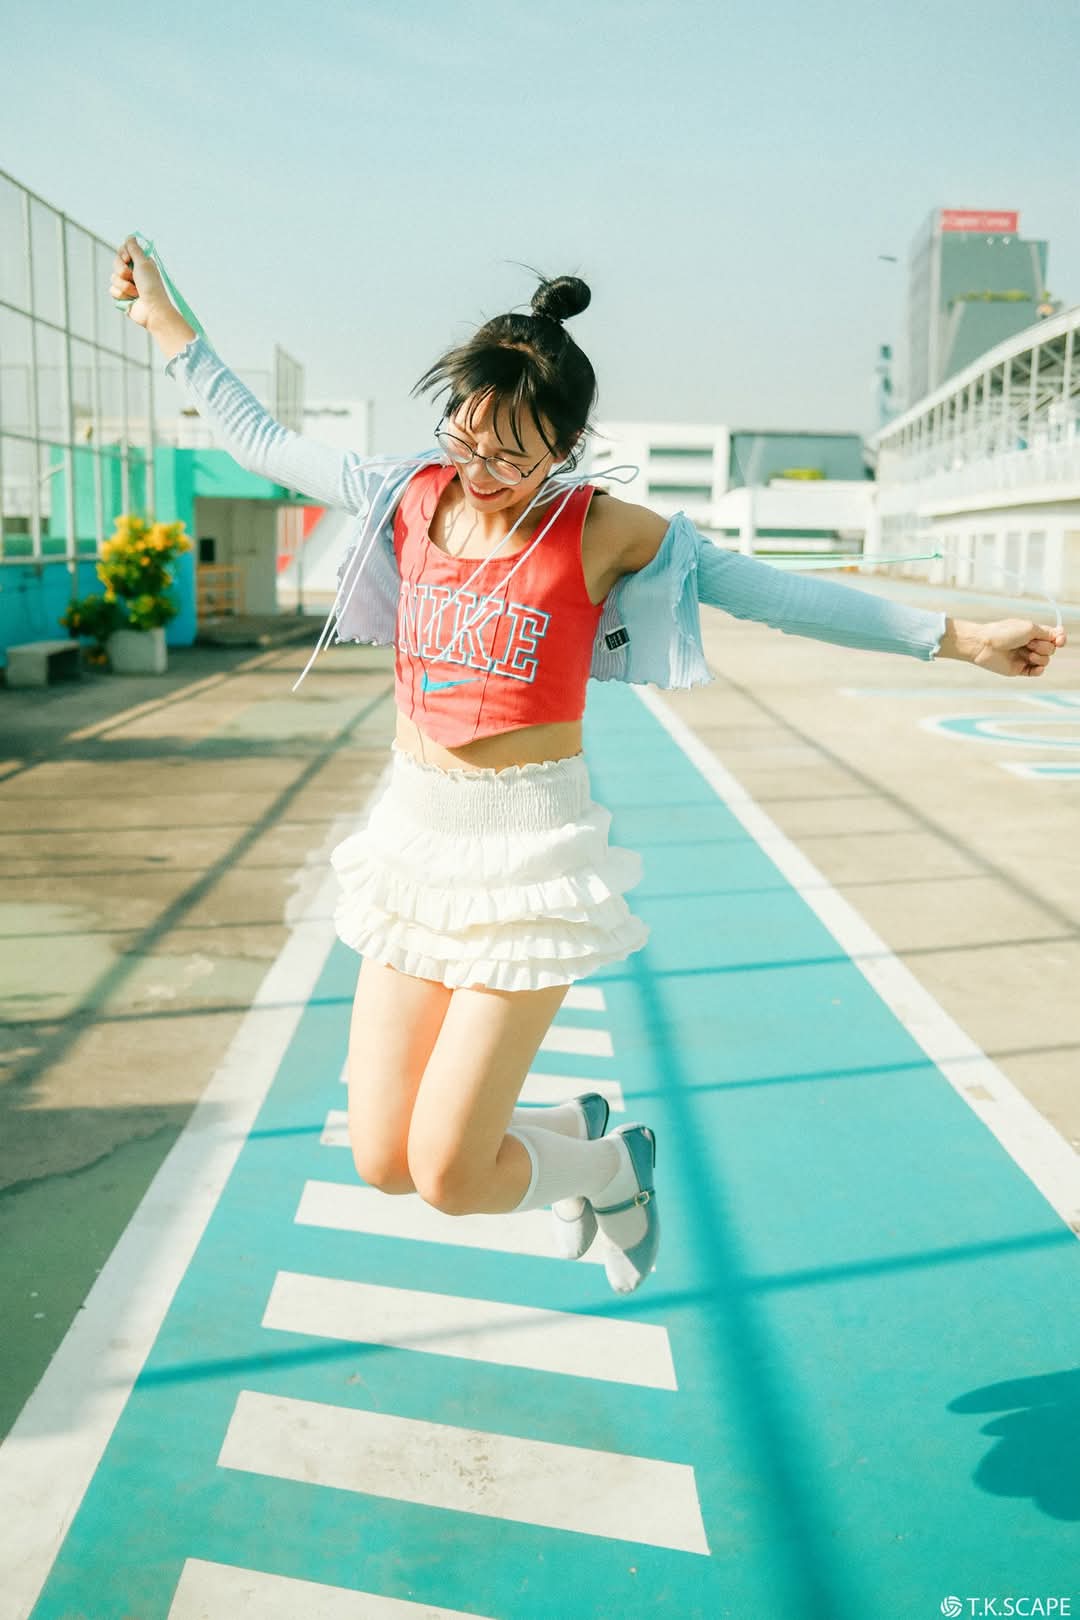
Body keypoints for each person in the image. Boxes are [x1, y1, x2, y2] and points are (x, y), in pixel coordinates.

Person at [109, 236, 1067, 1295]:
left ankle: (611, 1168)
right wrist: (169, 326)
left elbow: (773, 593)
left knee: (449, 1174)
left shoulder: (602, 531)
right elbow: (260, 439)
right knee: (382, 1161)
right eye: (467, 438)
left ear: (564, 451)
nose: (482, 471)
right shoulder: (405, 492)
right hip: (412, 842)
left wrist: (956, 637)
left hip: (527, 856)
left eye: (513, 457)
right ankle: (571, 1131)